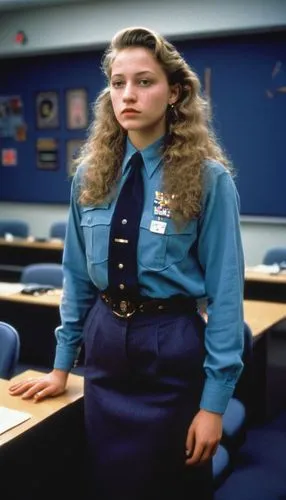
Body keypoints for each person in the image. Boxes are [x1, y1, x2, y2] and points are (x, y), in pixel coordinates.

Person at [9, 26, 245, 500]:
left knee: (172, 485)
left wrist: (214, 406)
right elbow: (76, 279)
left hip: (172, 349)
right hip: (106, 346)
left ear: (175, 92)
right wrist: (60, 368)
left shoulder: (208, 179)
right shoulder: (90, 176)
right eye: (118, 83)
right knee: (106, 481)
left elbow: (225, 296)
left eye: (144, 81)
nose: (128, 95)